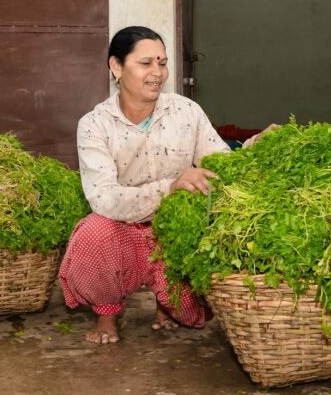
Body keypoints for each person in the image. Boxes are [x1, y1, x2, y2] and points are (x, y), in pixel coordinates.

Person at [58, 26, 230, 344]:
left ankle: (166, 304)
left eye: (162, 63)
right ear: (116, 67)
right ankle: (107, 315)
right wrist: (170, 188)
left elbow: (221, 165)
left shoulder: (186, 112)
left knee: (193, 314)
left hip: (175, 233)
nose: (158, 73)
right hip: (123, 235)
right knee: (93, 231)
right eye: (146, 63)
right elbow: (104, 199)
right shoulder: (95, 125)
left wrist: (255, 149)